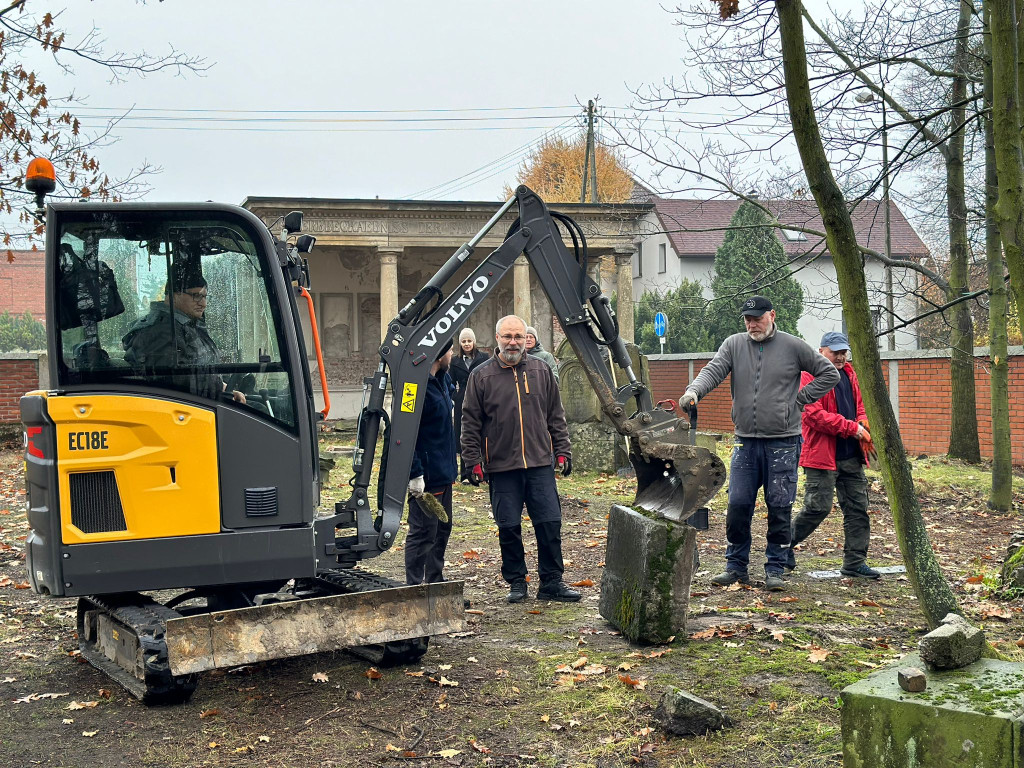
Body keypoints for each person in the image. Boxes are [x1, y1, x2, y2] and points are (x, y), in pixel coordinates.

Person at [679, 296, 839, 592]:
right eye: (748, 320)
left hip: (784, 442)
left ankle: (775, 567)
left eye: (758, 318)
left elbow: (829, 373)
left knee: (779, 505)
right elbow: (713, 370)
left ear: (772, 315)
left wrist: (800, 399)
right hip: (745, 442)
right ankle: (735, 566)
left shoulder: (793, 346)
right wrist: (693, 392)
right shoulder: (734, 344)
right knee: (738, 503)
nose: (752, 325)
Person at [460, 314, 580, 603]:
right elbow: (470, 422)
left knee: (550, 523)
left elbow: (556, 416)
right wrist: (472, 460)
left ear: (525, 340)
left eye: (518, 337)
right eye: (507, 337)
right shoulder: (481, 375)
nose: (513, 342)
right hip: (502, 467)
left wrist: (562, 450)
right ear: (497, 339)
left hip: (540, 463)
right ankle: (517, 581)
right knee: (509, 527)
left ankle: (551, 582)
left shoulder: (541, 370)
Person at [789, 332, 880, 579]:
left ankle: (854, 563)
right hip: (822, 455)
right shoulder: (808, 376)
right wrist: (853, 428)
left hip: (851, 455)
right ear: (821, 352)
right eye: (835, 352)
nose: (840, 357)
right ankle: (781, 547)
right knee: (817, 508)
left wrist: (863, 420)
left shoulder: (850, 374)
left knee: (858, 510)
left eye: (843, 352)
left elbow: (861, 405)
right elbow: (813, 415)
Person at [123, 270, 246, 403]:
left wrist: (223, 388)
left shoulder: (183, 324)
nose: (203, 304)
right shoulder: (162, 330)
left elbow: (197, 368)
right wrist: (219, 387)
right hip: (184, 407)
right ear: (174, 296)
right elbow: (174, 380)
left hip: (200, 401)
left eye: (205, 296)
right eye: (196, 296)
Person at [405, 342, 458, 585]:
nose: (453, 354)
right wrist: (415, 472)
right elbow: (406, 434)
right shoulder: (415, 388)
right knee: (424, 532)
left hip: (444, 471)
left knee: (442, 530)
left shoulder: (443, 380)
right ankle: (415, 587)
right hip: (426, 476)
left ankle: (435, 582)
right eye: (450, 350)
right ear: (439, 355)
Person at [449, 328, 489, 484]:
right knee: (464, 434)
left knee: (483, 432)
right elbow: (450, 382)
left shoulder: (484, 358)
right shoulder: (455, 361)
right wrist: (456, 397)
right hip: (462, 401)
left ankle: (485, 472)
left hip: (481, 399)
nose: (466, 344)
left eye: (469, 341)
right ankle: (466, 474)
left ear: (474, 342)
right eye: (464, 341)